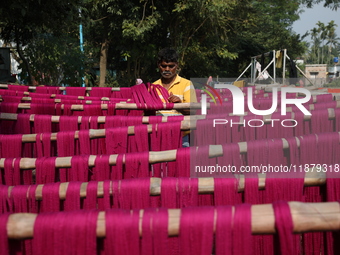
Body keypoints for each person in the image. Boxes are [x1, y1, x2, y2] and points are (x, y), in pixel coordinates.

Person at [153, 48, 197, 147]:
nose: (167, 69)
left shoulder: (186, 84)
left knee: (182, 161)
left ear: (176, 65)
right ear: (158, 65)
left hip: (181, 137)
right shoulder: (152, 87)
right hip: (158, 136)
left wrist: (179, 105)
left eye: (171, 66)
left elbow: (194, 111)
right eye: (164, 66)